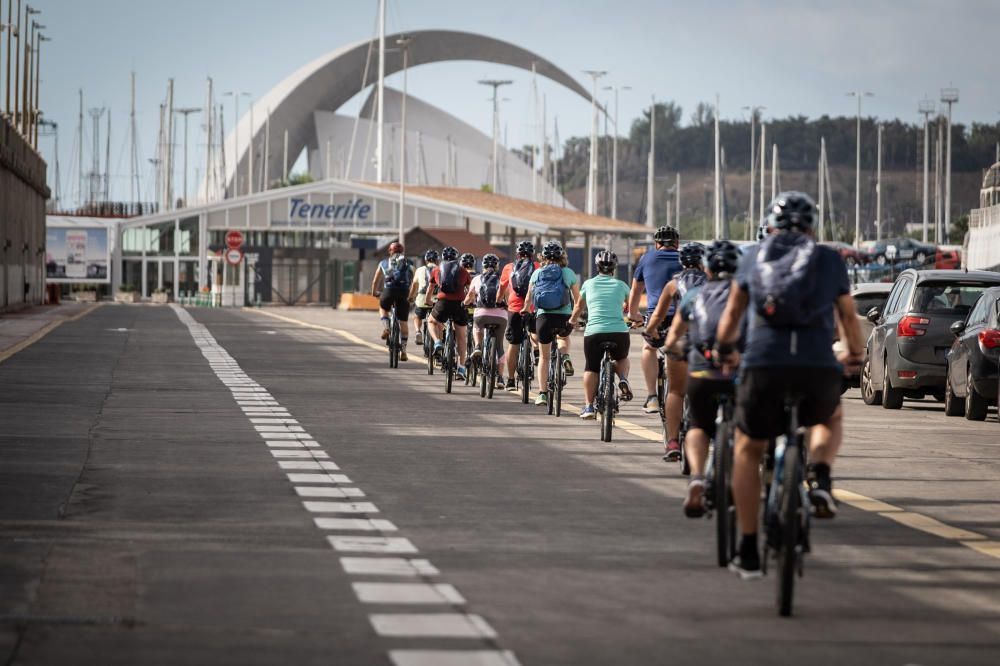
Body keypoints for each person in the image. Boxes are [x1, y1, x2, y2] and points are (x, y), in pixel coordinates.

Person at [714, 192, 864, 579]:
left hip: (764, 362)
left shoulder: (752, 256)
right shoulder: (829, 259)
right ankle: (821, 476)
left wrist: (725, 349)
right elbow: (848, 317)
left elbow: (732, 313)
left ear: (770, 224)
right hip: (815, 364)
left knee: (748, 448)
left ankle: (748, 547)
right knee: (828, 416)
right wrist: (854, 357)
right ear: (812, 226)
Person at [661, 240, 743, 517]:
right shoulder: (747, 294)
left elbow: (672, 340)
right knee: (751, 428)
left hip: (701, 371)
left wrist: (679, 348)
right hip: (736, 374)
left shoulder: (693, 295)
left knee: (697, 425)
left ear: (708, 267)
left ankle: (697, 477)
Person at [645, 241, 707, 460]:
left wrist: (650, 332)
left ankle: (672, 442)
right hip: (704, 342)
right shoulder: (712, 282)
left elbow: (658, 316)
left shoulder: (674, 284)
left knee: (676, 392)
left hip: (679, 340)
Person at [570, 250, 633, 419]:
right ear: (614, 268)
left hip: (594, 332)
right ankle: (623, 378)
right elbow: (631, 308)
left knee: (591, 366)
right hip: (619, 332)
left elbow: (578, 307)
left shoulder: (588, 285)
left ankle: (589, 406)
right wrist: (631, 314)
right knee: (621, 358)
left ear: (597, 267)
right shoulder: (622, 285)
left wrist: (572, 321)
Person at [628, 226, 682, 415]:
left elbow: (636, 290)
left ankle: (651, 396)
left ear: (656, 243)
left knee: (649, 348)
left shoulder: (647, 258)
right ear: (677, 243)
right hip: (682, 316)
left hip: (657, 316)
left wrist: (633, 314)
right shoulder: (685, 258)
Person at [521, 241, 579, 407]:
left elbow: (528, 298)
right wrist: (575, 317)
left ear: (543, 257)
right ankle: (565, 356)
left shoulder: (537, 273)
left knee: (544, 357)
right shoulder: (568, 273)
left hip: (543, 318)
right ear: (562, 256)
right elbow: (578, 299)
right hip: (563, 316)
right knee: (563, 337)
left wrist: (525, 311)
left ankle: (542, 393)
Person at [425, 246, 472, 380]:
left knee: (432, 321)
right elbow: (470, 291)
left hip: (443, 303)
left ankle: (438, 341)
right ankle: (461, 368)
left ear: (443, 258)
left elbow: (430, 289)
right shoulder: (463, 271)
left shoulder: (437, 270)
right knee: (461, 337)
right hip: (459, 305)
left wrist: (429, 301)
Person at [501, 241, 539, 391]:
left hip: (514, 308)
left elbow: (501, 289)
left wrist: (499, 301)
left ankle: (510, 380)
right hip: (532, 308)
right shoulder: (537, 267)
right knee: (535, 332)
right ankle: (536, 350)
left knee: (513, 344)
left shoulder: (509, 268)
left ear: (517, 254)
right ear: (532, 254)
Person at [464, 253, 507, 386]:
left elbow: (470, 296)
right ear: (497, 266)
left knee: (477, 328)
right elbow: (509, 297)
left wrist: (465, 303)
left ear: (482, 266)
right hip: (500, 316)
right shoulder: (502, 279)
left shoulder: (477, 279)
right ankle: (500, 378)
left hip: (481, 314)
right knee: (499, 346)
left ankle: (477, 346)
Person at [370, 241, 413, 361]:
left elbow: (375, 281)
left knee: (383, 308)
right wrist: (412, 294)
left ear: (390, 251)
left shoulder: (383, 263)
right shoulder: (408, 262)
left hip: (388, 291)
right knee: (403, 321)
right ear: (402, 252)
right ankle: (403, 351)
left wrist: (374, 293)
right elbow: (414, 280)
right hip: (404, 292)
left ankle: (387, 327)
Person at [409, 249, 438, 347]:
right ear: (437, 260)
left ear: (426, 260)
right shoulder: (440, 270)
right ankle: (437, 341)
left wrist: (411, 297)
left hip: (422, 298)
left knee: (417, 316)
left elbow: (414, 285)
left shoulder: (420, 270)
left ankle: (418, 331)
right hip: (436, 300)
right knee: (437, 321)